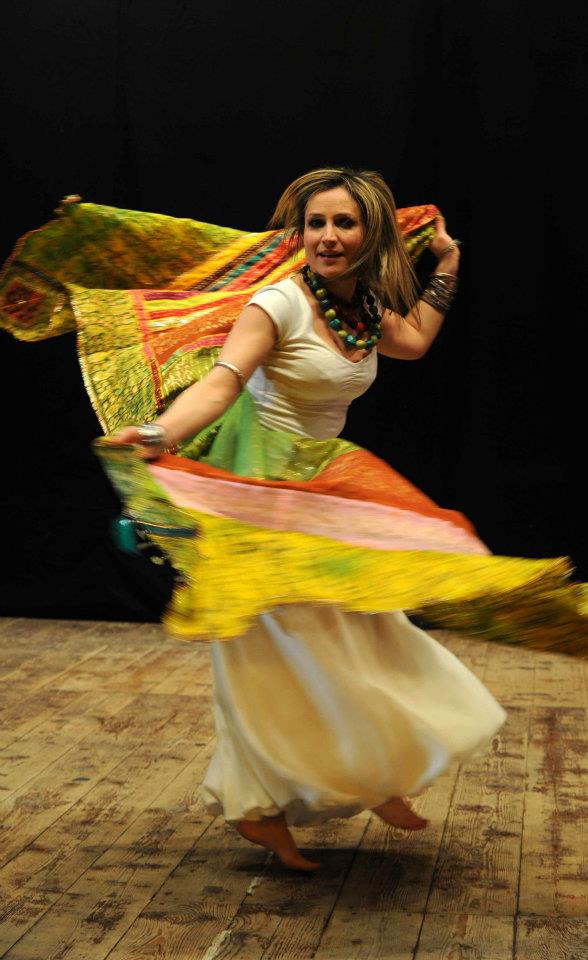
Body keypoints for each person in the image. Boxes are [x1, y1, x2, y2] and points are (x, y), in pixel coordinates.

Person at [113, 167, 508, 872]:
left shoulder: (360, 306)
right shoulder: (279, 303)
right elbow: (222, 384)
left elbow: (415, 340)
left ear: (371, 234)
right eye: (315, 223)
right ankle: (262, 807)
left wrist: (447, 263)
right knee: (278, 651)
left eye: (343, 223)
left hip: (316, 489)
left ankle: (371, 774)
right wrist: (157, 433)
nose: (326, 236)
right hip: (258, 493)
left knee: (369, 629)